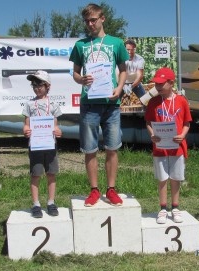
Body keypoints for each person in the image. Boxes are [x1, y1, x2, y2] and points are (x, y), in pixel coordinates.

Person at [69, 3, 129, 207]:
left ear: (102, 18)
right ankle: (94, 190)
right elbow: (75, 72)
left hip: (111, 103)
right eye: (87, 21)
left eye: (93, 19)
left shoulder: (116, 43)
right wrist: (81, 79)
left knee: (112, 148)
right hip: (89, 103)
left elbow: (123, 70)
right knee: (90, 149)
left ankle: (111, 189)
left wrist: (119, 88)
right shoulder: (81, 45)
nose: (90, 24)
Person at [145, 67, 192, 224]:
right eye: (156, 84)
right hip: (160, 147)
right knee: (162, 178)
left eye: (161, 84)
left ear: (171, 83)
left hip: (177, 147)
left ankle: (175, 207)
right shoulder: (153, 102)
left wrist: (183, 135)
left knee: (176, 177)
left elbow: (186, 122)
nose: (157, 87)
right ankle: (163, 208)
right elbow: (149, 122)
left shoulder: (181, 101)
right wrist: (152, 134)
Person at [22, 70, 62, 218]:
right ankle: (36, 204)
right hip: (36, 146)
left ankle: (51, 202)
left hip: (50, 145)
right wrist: (26, 130)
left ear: (48, 86)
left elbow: (56, 125)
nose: (36, 87)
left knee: (51, 173)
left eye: (40, 84)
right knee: (36, 174)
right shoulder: (29, 104)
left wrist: (57, 131)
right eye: (34, 84)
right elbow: (26, 125)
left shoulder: (53, 104)